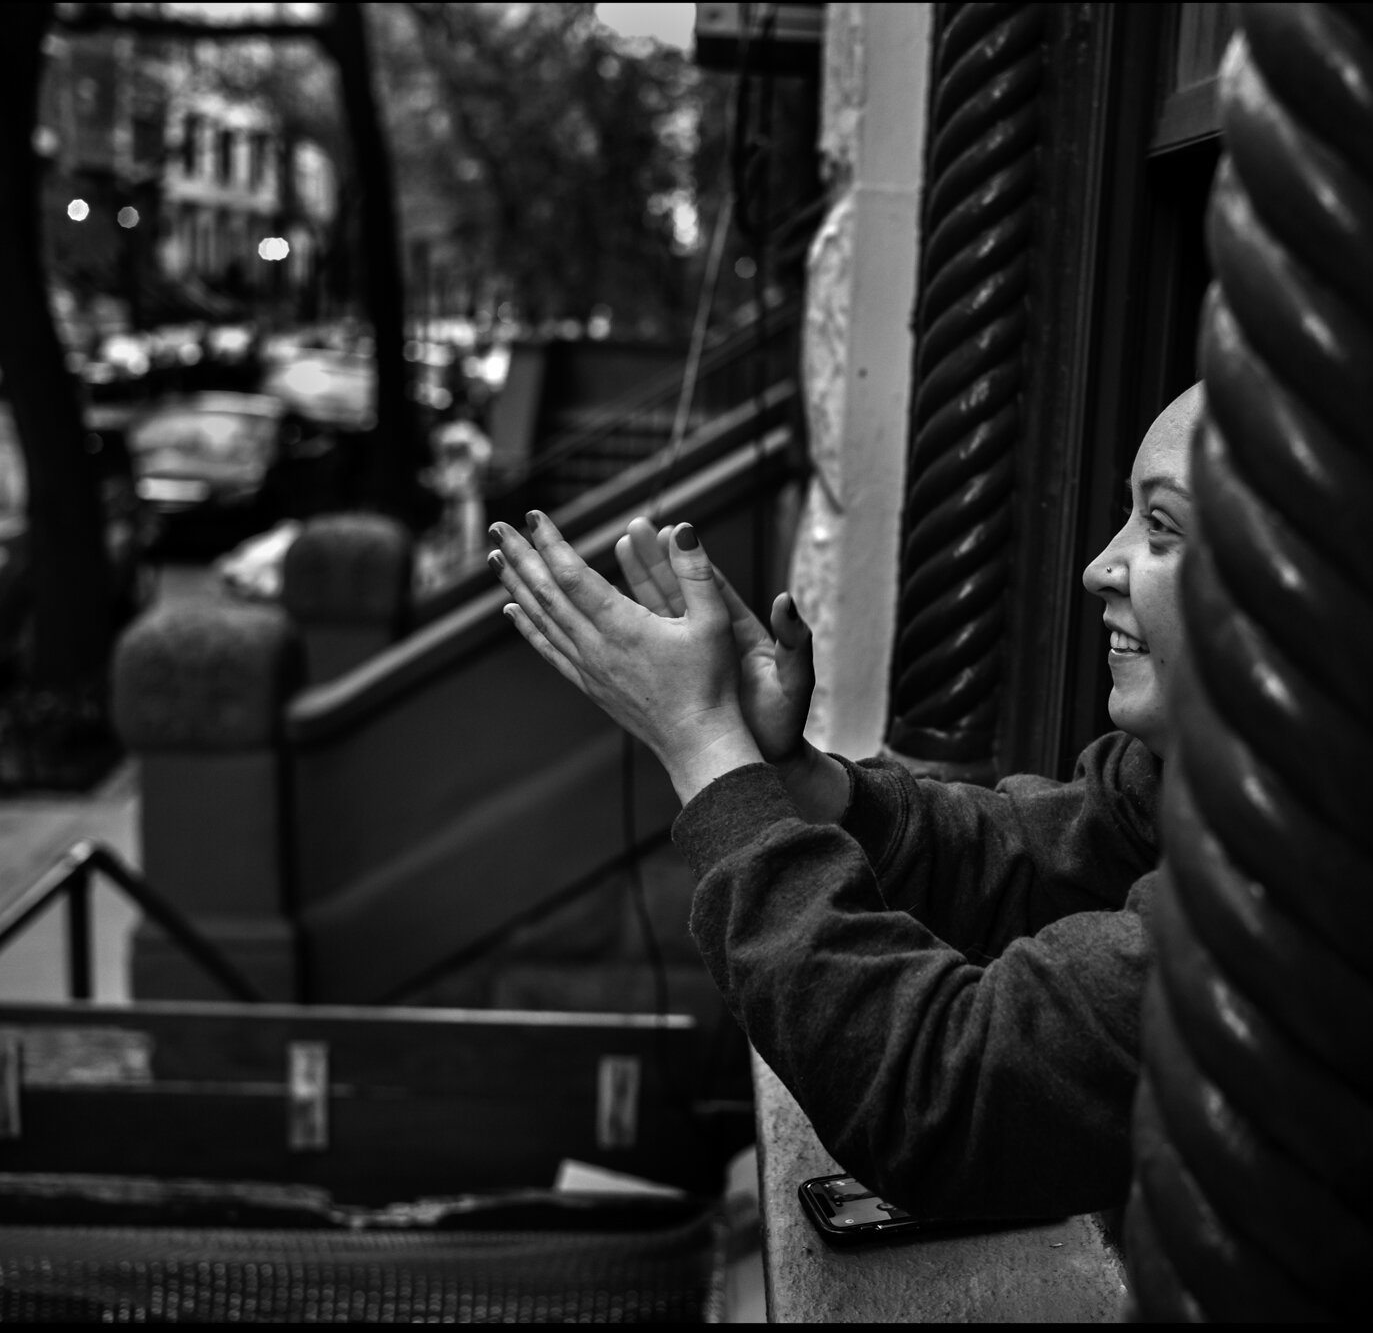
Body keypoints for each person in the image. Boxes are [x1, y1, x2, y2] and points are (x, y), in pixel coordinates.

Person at [489, 384, 1202, 1220]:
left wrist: (704, 744)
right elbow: (1026, 861)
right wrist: (790, 772)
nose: (1099, 567)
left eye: (1160, 527)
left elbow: (944, 1096)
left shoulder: (1282, 886)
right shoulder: (1177, 779)